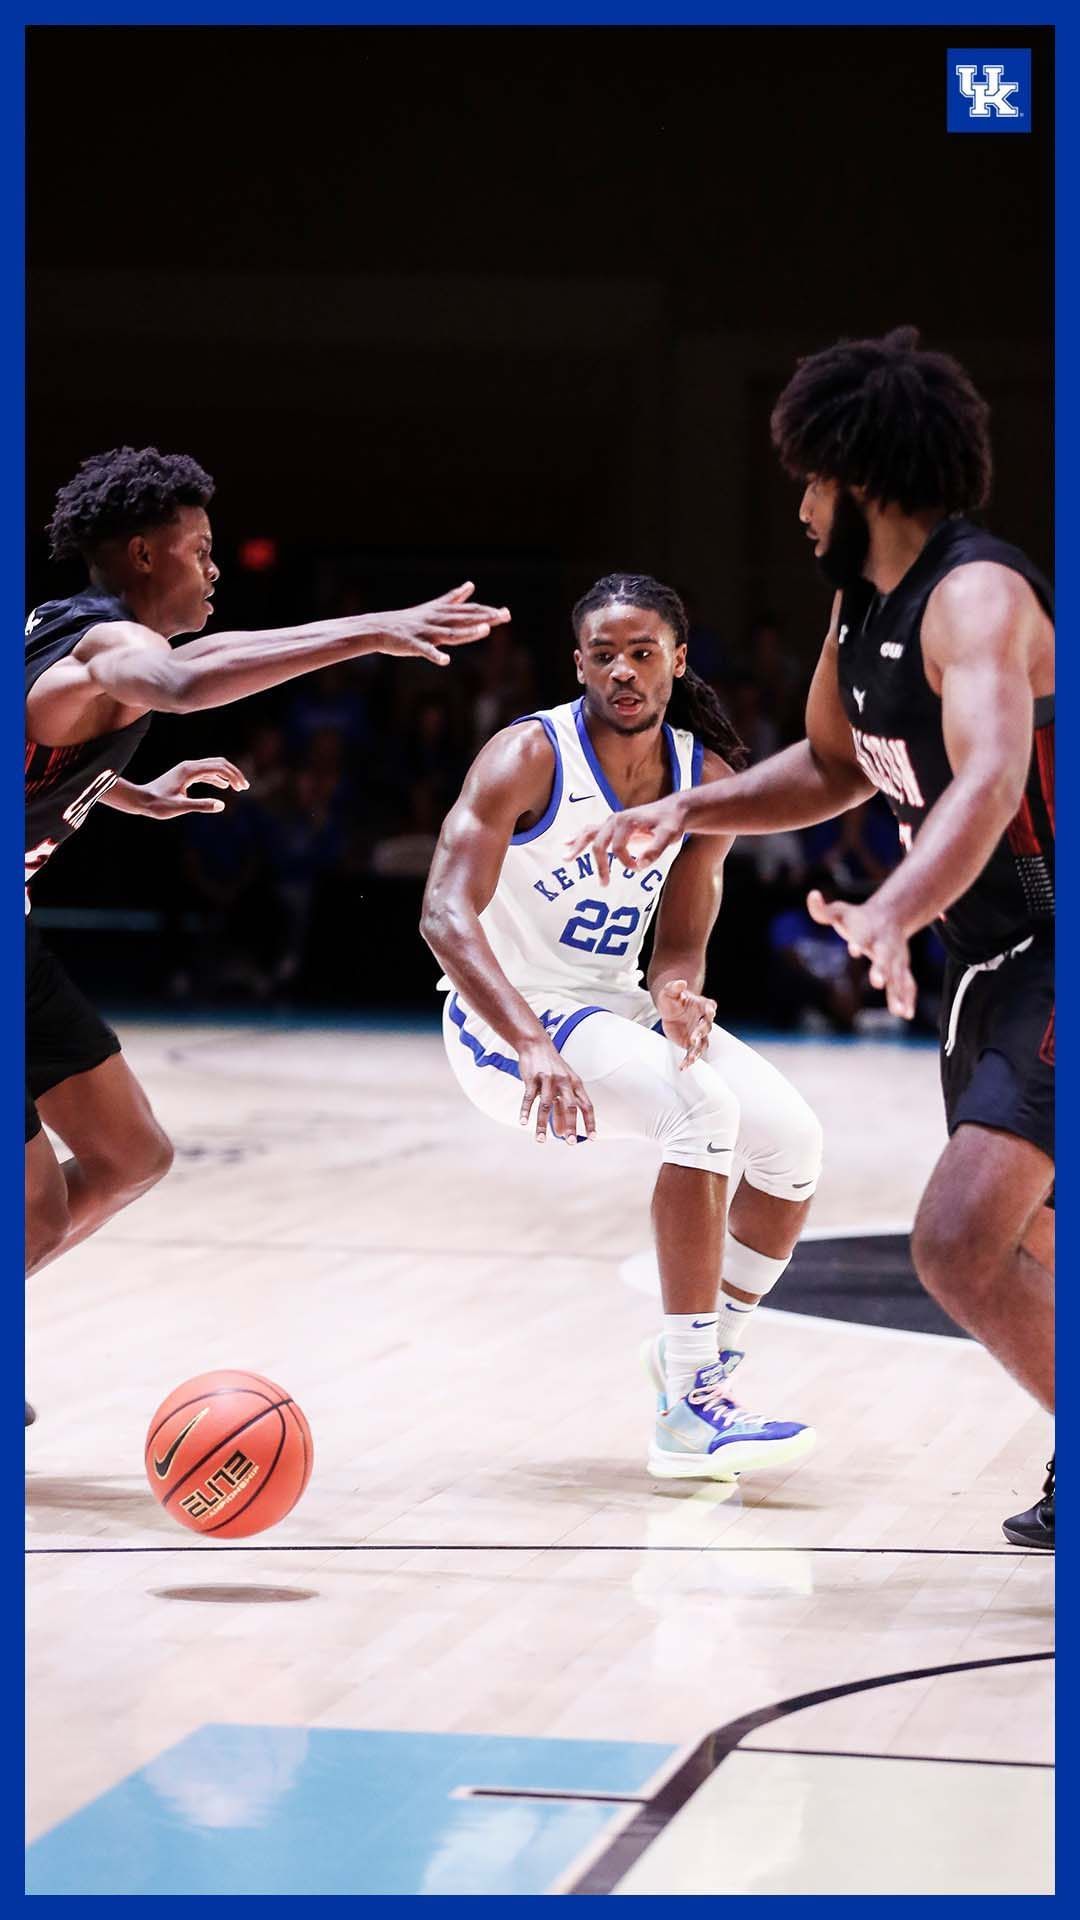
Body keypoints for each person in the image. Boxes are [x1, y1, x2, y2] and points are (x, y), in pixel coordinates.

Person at [568, 331, 1054, 1546]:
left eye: (811, 481)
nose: (798, 506)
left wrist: (893, 907)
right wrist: (689, 808)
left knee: (960, 1242)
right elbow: (834, 766)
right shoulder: (861, 608)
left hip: (1054, 943)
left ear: (860, 478)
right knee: (1037, 1238)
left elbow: (992, 775)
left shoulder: (977, 597)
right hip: (987, 960)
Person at [25, 446, 510, 1415]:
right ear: (143, 554)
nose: (215, 568)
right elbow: (175, 681)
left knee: (131, 1156)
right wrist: (369, 630)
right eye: (200, 549)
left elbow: (46, 735)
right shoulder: (105, 645)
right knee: (34, 1216)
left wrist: (126, 789)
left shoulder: (59, 634)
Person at [421, 572, 823, 1482]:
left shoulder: (705, 781)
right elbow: (443, 913)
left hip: (611, 1005)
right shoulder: (528, 756)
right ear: (579, 665)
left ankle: (703, 1359)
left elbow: (678, 945)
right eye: (604, 655)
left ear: (678, 661)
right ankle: (687, 1408)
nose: (624, 672)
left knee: (793, 1143)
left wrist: (678, 994)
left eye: (643, 653)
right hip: (507, 1016)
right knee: (701, 1113)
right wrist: (530, 1043)